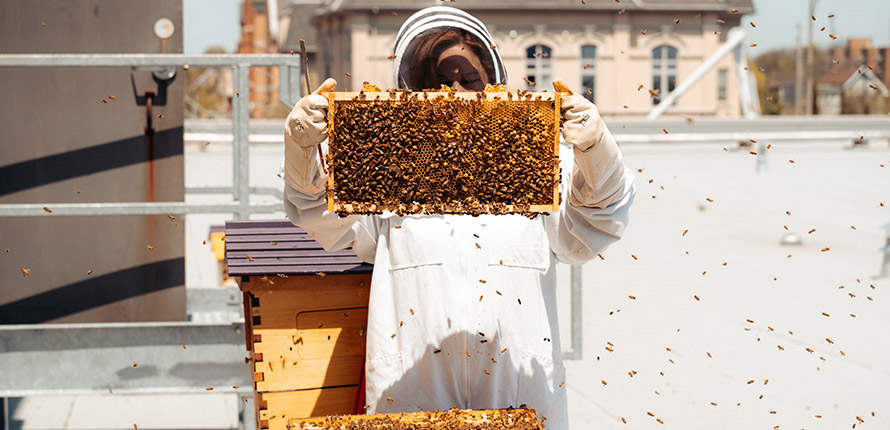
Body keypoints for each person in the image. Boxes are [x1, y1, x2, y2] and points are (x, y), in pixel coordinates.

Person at [283, 6, 635, 430]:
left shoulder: (537, 161)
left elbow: (597, 225)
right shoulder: (386, 169)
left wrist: (596, 151)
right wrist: (301, 150)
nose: (454, 92)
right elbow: (318, 216)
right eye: (436, 82)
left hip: (518, 386)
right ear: (410, 88)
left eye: (467, 79)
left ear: (491, 78)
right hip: (413, 388)